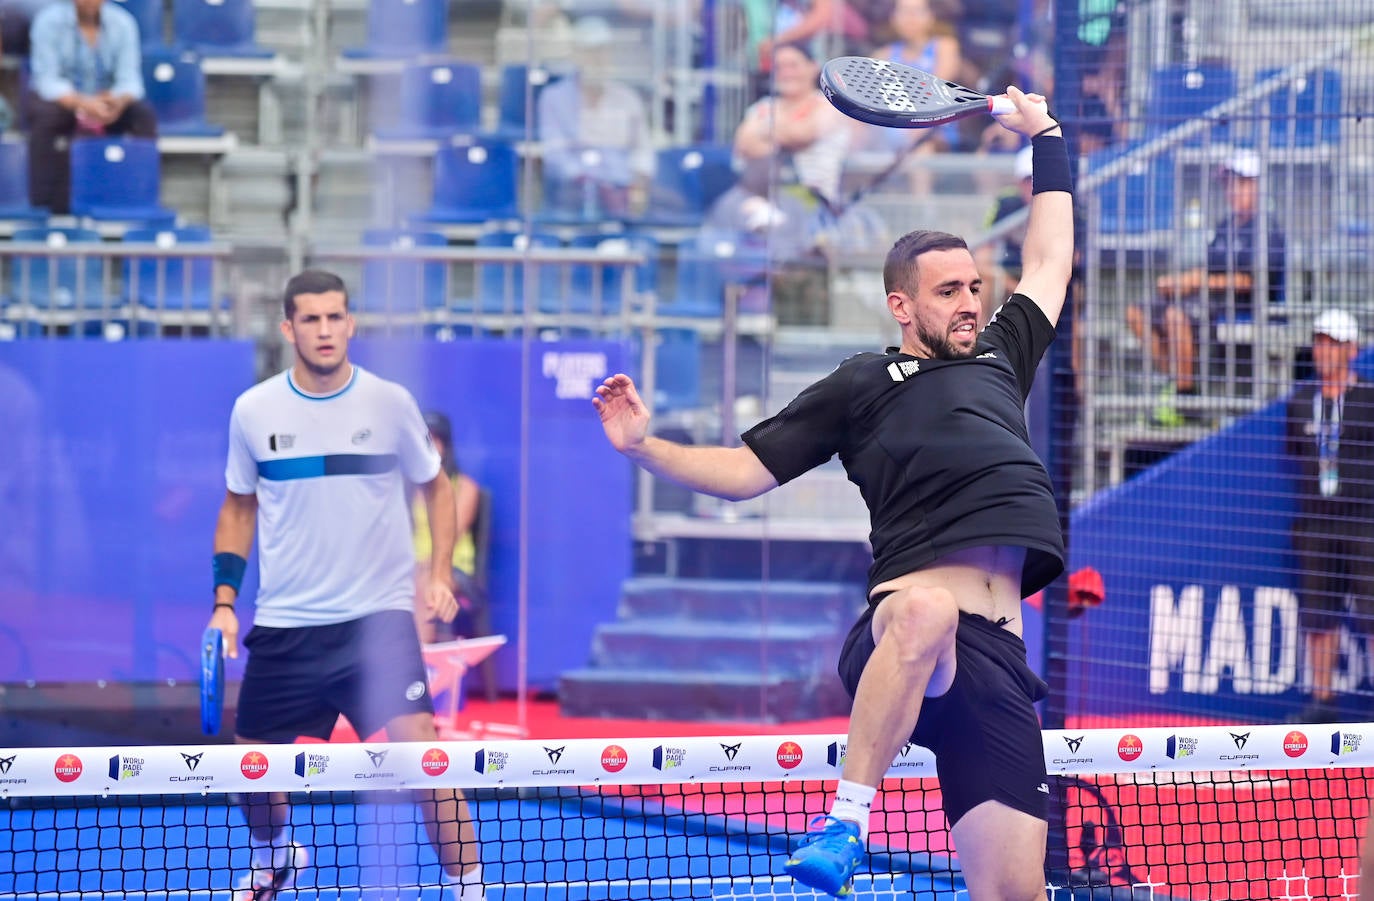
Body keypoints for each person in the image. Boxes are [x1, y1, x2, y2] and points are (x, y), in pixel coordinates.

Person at [594, 86, 1070, 900]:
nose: (969, 300)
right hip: (907, 630)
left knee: (1016, 893)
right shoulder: (863, 383)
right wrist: (645, 447)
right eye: (947, 290)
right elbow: (746, 473)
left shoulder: (1002, 358)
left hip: (997, 660)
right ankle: (847, 822)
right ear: (902, 304)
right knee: (927, 611)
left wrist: (1048, 135)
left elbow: (1052, 258)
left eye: (972, 286)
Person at [204, 270, 484, 901]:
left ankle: (470, 887)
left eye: (336, 317)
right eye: (310, 319)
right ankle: (278, 856)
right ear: (288, 329)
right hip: (285, 622)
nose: (325, 330)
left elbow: (434, 486)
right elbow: (238, 508)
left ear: (351, 323)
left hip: (376, 624)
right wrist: (224, 602)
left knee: (425, 762)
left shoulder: (389, 403)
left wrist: (438, 571)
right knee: (251, 773)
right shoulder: (254, 411)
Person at [1126, 150, 1287, 426]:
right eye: (1229, 184)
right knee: (1136, 313)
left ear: (1256, 185)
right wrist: (1182, 282)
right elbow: (1209, 270)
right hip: (1205, 298)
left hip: (1240, 305)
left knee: (1175, 316)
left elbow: (1252, 281)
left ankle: (1186, 400)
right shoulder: (1226, 226)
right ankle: (1178, 383)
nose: (1233, 190)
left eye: (1240, 183)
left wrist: (1196, 281)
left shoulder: (1266, 229)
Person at [1285, 309, 1374, 725]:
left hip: (1363, 522)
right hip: (1316, 520)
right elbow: (1296, 454)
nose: (1324, 350)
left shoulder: (1369, 399)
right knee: (1318, 613)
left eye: (1333, 343)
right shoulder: (1301, 399)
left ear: (1353, 350)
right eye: (1319, 341)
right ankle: (1323, 702)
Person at [728, 41, 851, 325]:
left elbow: (801, 133)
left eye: (793, 65)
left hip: (815, 205)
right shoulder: (762, 107)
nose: (786, 72)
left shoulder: (829, 106)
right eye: (779, 67)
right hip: (764, 200)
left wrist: (767, 132)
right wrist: (780, 134)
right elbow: (744, 143)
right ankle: (747, 315)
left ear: (812, 67)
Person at [24, 0, 157, 213]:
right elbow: (46, 80)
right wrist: (83, 103)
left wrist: (116, 102)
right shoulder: (48, 22)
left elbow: (130, 80)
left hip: (107, 103)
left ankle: (139, 194)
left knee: (142, 115)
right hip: (64, 102)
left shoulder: (123, 23)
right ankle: (42, 204)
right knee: (45, 116)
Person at [536, 15, 655, 220]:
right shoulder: (554, 98)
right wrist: (589, 181)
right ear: (576, 54)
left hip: (621, 193)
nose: (597, 58)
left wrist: (636, 183)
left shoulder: (628, 99)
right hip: (572, 193)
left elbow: (643, 151)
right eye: (590, 51)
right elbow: (554, 154)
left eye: (602, 51)